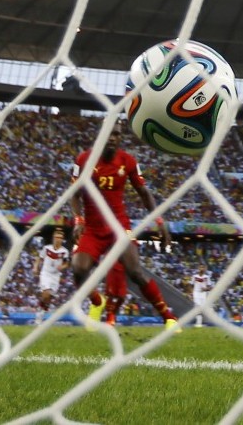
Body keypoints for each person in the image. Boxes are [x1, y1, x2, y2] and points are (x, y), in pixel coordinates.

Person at [70, 121, 178, 331]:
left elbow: (144, 193)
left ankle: (169, 318)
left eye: (116, 134)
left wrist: (159, 221)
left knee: (135, 272)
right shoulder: (84, 160)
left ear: (120, 138)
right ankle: (96, 300)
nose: (112, 138)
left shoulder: (127, 161)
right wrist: (78, 220)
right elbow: (74, 194)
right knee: (78, 269)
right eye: (109, 134)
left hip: (119, 228)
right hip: (93, 228)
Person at [34, 227, 70, 323]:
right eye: (57, 237)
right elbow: (39, 258)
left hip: (55, 276)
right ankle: (39, 314)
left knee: (49, 298)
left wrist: (62, 267)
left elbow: (66, 263)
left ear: (62, 239)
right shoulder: (46, 248)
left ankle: (41, 312)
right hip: (45, 273)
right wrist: (35, 267)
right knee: (46, 294)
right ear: (53, 238)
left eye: (60, 238)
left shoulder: (64, 251)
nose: (58, 239)